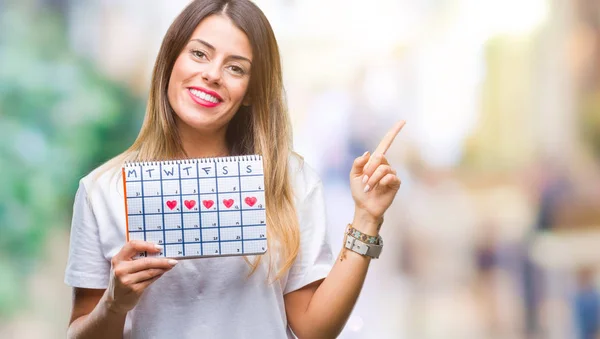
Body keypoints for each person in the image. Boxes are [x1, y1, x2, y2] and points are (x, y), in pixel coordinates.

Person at [64, 1, 404, 338]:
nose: (212, 74)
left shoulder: (290, 181)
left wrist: (366, 218)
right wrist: (114, 303)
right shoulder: (102, 190)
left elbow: (314, 329)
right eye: (199, 53)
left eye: (236, 68)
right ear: (170, 60)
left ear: (250, 92)